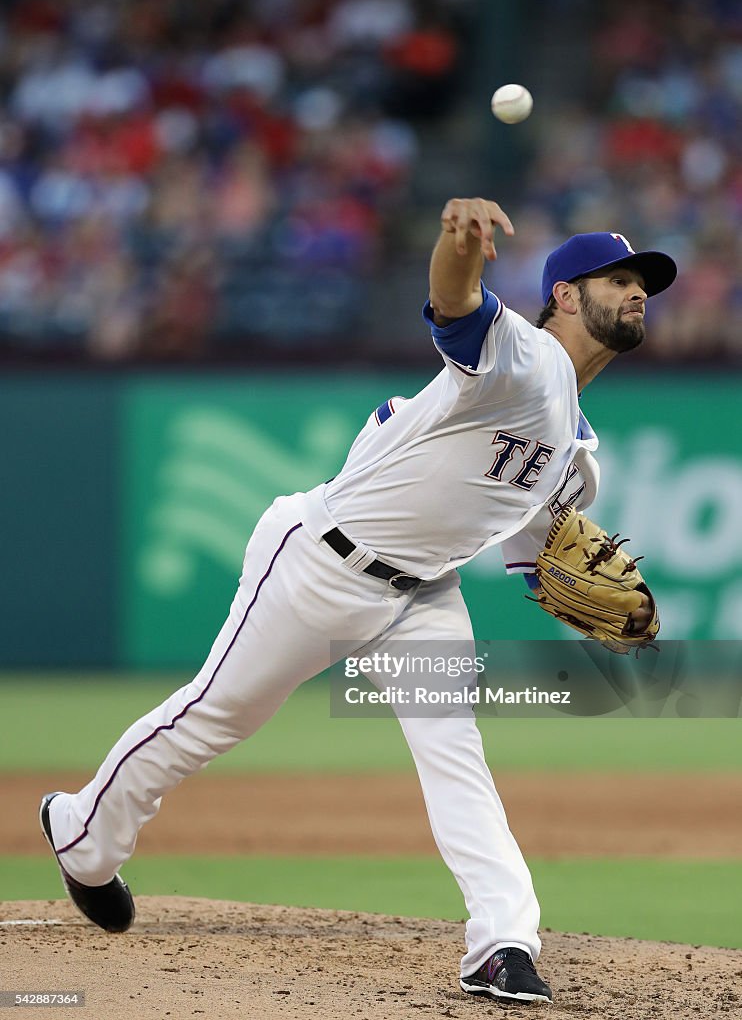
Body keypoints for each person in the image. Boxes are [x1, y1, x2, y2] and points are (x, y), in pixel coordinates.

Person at [40, 198, 676, 1006]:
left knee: (456, 752)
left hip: (422, 598)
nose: (636, 293)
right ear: (562, 295)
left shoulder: (580, 460)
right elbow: (454, 306)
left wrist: (613, 630)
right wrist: (460, 248)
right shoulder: (523, 357)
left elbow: (537, 565)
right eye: (617, 278)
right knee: (214, 717)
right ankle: (83, 835)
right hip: (319, 561)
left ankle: (502, 942)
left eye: (642, 283)